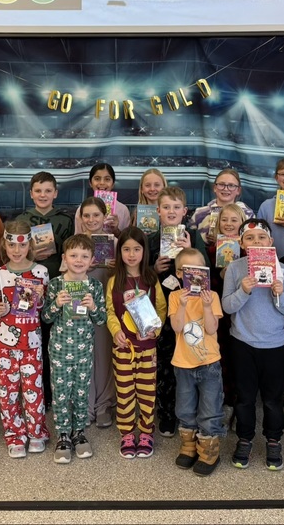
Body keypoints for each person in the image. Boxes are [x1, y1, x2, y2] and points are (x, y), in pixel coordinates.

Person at [222, 218, 284, 471]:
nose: (256, 242)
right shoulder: (235, 268)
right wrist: (243, 290)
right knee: (244, 397)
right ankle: (245, 438)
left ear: (271, 241)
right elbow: (227, 306)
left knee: (272, 399)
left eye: (261, 237)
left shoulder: (282, 270)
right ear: (241, 243)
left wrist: (279, 293)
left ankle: (273, 440)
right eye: (250, 238)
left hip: (274, 343)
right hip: (243, 342)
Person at [0, 220, 51, 458]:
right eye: (11, 245)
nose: (17, 251)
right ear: (5, 245)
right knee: (7, 392)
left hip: (32, 344)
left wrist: (41, 298)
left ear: (29, 245)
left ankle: (36, 433)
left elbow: (45, 309)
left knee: (33, 390)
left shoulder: (41, 272)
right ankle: (14, 435)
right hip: (4, 346)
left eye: (21, 246)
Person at [148, 186, 209, 437]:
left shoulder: (194, 237)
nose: (171, 211)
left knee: (192, 359)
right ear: (158, 211)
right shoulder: (151, 239)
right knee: (164, 362)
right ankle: (167, 413)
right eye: (166, 207)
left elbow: (207, 274)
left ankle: (193, 411)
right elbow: (140, 276)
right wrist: (153, 268)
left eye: (176, 207)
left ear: (185, 211)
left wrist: (189, 250)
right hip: (162, 309)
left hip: (192, 310)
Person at [41, 234, 107, 464]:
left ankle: (79, 433)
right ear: (64, 258)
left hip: (83, 351)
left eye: (84, 256)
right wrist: (57, 304)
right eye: (74, 255)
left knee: (80, 393)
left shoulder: (95, 286)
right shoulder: (56, 284)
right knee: (60, 394)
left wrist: (93, 307)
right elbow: (46, 318)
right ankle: (62, 435)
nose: (79, 260)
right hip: (59, 352)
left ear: (91, 261)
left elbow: (101, 320)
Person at [106, 227, 168, 460]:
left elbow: (161, 308)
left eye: (137, 249)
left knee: (146, 391)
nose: (131, 254)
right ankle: (127, 432)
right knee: (124, 392)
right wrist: (115, 332)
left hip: (147, 348)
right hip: (123, 349)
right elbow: (110, 311)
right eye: (126, 249)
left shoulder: (151, 279)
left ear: (145, 252)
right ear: (119, 252)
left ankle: (146, 432)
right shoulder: (114, 281)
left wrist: (156, 329)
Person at [15, 171, 74, 407]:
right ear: (31, 193)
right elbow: (12, 253)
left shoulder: (65, 220)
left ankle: (51, 393)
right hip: (28, 285)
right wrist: (31, 254)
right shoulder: (22, 220)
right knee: (30, 339)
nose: (43, 195)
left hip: (55, 285)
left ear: (55, 193)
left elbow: (71, 254)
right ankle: (31, 390)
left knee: (52, 340)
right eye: (38, 190)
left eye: (48, 190)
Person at [168, 248, 225, 476]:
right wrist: (182, 305)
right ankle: (189, 445)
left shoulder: (213, 297)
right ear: (179, 273)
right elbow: (177, 327)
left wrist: (208, 306)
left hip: (209, 362)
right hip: (183, 363)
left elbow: (212, 329)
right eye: (186, 271)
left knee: (210, 407)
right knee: (185, 407)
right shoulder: (174, 296)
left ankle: (209, 450)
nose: (193, 277)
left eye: (198, 271)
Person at [205, 202, 246, 412]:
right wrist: (220, 275)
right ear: (218, 223)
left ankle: (236, 397)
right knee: (219, 350)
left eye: (234, 219)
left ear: (242, 223)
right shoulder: (210, 250)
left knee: (237, 353)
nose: (229, 224)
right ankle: (221, 395)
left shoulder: (248, 250)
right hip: (216, 308)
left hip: (240, 310)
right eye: (225, 219)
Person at [79, 197, 115, 429]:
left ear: (105, 217)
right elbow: (64, 273)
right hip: (80, 307)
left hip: (106, 303)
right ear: (81, 219)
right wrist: (83, 267)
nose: (92, 220)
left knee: (104, 354)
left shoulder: (114, 242)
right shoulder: (76, 244)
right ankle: (86, 404)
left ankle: (103, 404)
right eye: (87, 215)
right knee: (84, 355)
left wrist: (116, 264)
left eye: (96, 215)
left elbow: (127, 270)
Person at [192, 169, 255, 248]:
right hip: (204, 258)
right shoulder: (199, 213)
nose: (226, 189)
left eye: (231, 185)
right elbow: (192, 242)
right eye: (221, 184)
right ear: (215, 187)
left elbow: (253, 242)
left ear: (238, 190)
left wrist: (232, 240)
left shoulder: (248, 214)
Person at [74, 163, 131, 235]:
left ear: (113, 183)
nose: (102, 183)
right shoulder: (82, 209)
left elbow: (127, 242)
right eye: (97, 179)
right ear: (90, 183)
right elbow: (77, 240)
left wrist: (116, 230)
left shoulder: (123, 210)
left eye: (107, 179)